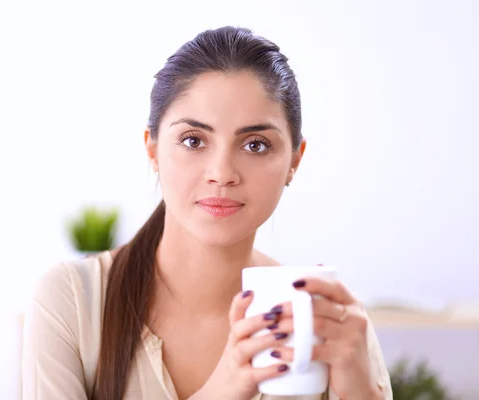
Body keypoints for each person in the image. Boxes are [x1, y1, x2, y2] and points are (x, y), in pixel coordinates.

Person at [21, 26, 393, 400]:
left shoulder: (326, 323)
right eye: (193, 140)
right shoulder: (72, 300)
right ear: (152, 150)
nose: (222, 173)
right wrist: (225, 388)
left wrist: (362, 390)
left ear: (294, 160)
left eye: (256, 145)